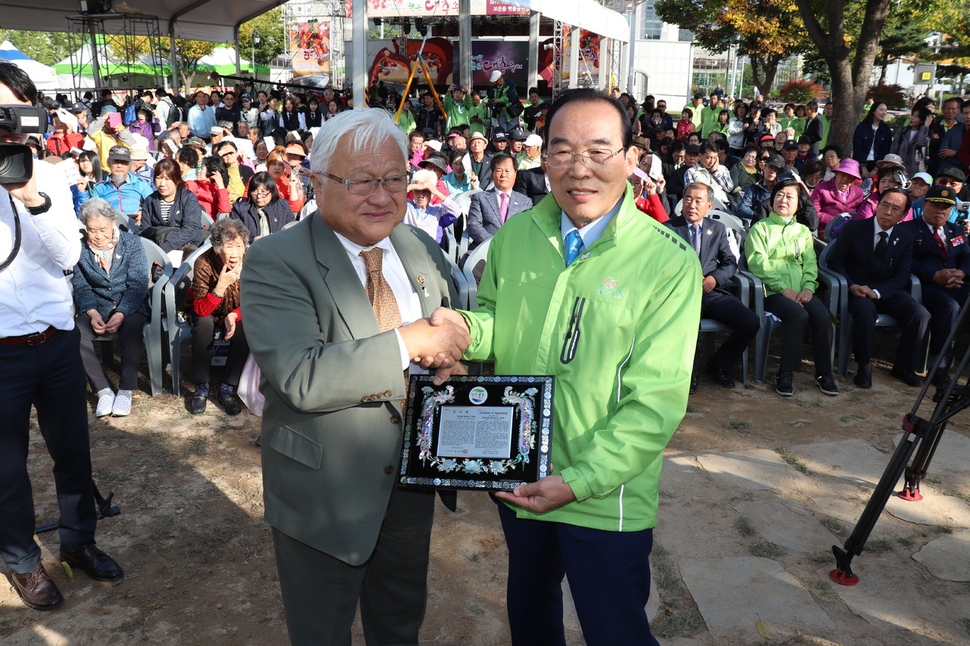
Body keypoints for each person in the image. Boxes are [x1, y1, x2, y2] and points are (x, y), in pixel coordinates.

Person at [431, 89, 701, 646]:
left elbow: (656, 403)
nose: (579, 170)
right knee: (530, 618)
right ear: (544, 159)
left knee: (615, 630)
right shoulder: (517, 235)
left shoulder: (667, 262)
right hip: (521, 471)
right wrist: (462, 332)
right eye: (561, 151)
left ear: (631, 158)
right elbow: (495, 321)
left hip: (604, 493)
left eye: (599, 151)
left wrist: (579, 482)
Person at [239, 108, 468, 646]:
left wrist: (451, 362)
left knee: (399, 620)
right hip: (326, 489)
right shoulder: (276, 260)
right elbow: (300, 375)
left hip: (411, 479)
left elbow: (446, 339)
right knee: (322, 630)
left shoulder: (419, 248)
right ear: (316, 182)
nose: (383, 196)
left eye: (394, 179)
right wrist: (410, 342)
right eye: (363, 180)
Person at [0, 60, 124, 612]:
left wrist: (32, 196)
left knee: (72, 452)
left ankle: (79, 542)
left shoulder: (48, 176)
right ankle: (22, 561)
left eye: (12, 111)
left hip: (54, 341)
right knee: (6, 467)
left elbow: (70, 256)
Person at [744, 176, 838, 397]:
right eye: (779, 194)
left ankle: (824, 372)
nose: (783, 199)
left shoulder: (803, 232)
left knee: (823, 316)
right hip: (773, 292)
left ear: (798, 205)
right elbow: (758, 264)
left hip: (801, 291)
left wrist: (808, 288)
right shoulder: (760, 229)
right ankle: (785, 373)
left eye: (789, 196)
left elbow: (810, 264)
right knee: (798, 316)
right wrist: (784, 289)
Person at [827, 189, 930, 388]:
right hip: (857, 290)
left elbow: (902, 275)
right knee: (865, 311)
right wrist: (851, 285)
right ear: (876, 205)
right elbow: (836, 262)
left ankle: (903, 366)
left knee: (920, 314)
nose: (888, 212)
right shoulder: (854, 229)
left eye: (895, 208)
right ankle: (864, 366)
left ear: (903, 215)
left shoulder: (905, 237)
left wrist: (879, 292)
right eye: (885, 205)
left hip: (887, 290)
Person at [667, 183, 759, 391]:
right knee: (686, 324)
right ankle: (689, 372)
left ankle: (719, 365)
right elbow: (660, 266)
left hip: (710, 291)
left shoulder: (716, 229)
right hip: (681, 294)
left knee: (750, 321)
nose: (692, 204)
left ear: (709, 206)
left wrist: (714, 279)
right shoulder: (669, 229)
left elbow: (729, 262)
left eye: (698, 201)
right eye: (688, 199)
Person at [73, 198, 150, 417]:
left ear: (113, 223)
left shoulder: (132, 243)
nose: (98, 235)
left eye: (103, 229)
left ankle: (125, 390)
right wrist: (92, 312)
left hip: (130, 303)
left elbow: (138, 284)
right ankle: (103, 391)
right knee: (76, 333)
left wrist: (121, 312)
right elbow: (81, 285)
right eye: (91, 230)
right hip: (96, 305)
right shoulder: (79, 249)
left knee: (132, 328)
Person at [187, 217, 252, 416]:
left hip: (238, 310)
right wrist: (221, 286)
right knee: (203, 324)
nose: (234, 253)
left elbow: (257, 299)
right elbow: (200, 309)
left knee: (244, 327)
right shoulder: (204, 262)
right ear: (217, 247)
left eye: (239, 246)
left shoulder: (252, 260)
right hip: (208, 309)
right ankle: (202, 385)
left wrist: (234, 314)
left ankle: (228, 387)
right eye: (228, 246)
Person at [903, 185, 970, 376]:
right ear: (924, 205)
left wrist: (962, 273)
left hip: (956, 282)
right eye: (935, 205)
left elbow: (967, 256)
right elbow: (905, 261)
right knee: (949, 306)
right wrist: (933, 275)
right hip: (924, 285)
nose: (940, 211)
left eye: (945, 207)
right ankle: (939, 365)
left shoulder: (955, 229)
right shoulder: (909, 229)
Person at [138, 159, 205, 254]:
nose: (162, 184)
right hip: (158, 246)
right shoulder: (150, 200)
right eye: (159, 178)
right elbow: (145, 229)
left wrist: (166, 247)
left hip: (185, 248)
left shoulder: (188, 198)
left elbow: (191, 227)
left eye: (167, 179)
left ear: (177, 180)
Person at [466, 153, 531, 249]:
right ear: (493, 173)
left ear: (515, 174)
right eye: (499, 171)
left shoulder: (525, 202)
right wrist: (493, 243)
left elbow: (527, 229)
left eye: (507, 171)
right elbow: (474, 225)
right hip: (485, 249)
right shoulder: (480, 198)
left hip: (514, 249)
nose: (503, 175)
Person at [228, 171, 295, 243]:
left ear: (272, 191)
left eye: (263, 192)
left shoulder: (283, 206)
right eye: (255, 191)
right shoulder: (240, 209)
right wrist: (252, 239)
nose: (259, 196)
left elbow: (291, 230)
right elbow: (233, 231)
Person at [89, 145, 153, 219]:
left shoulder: (140, 183)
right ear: (109, 163)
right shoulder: (100, 187)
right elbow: (94, 210)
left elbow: (152, 205)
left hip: (136, 222)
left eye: (124, 162)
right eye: (116, 162)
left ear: (129, 165)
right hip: (110, 223)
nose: (119, 166)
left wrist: (143, 213)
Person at [405, 169, 460, 245]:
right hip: (406, 248)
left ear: (432, 193)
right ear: (413, 192)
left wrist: (436, 191)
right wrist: (411, 186)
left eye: (426, 191)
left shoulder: (438, 210)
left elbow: (456, 211)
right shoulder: (407, 206)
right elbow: (391, 200)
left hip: (430, 250)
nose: (421, 195)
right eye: (417, 190)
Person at [811, 158, 865, 233]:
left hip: (850, 231)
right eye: (842, 175)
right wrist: (836, 221)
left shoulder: (858, 192)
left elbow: (861, 214)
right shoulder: (821, 189)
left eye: (850, 177)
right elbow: (814, 212)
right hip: (827, 230)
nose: (845, 179)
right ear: (836, 173)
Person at [891, 107, 930, 177]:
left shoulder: (925, 134)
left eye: (916, 117)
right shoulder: (902, 131)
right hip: (899, 170)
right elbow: (893, 150)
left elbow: (919, 143)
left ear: (922, 120)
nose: (912, 118)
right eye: (912, 115)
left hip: (916, 171)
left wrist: (925, 127)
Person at [488, 70, 520, 134]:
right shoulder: (494, 88)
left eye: (496, 81)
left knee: (512, 133)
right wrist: (487, 102)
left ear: (500, 78)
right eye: (494, 82)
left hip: (512, 113)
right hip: (501, 113)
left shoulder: (510, 84)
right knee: (503, 132)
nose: (495, 83)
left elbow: (510, 97)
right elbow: (489, 97)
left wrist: (498, 100)